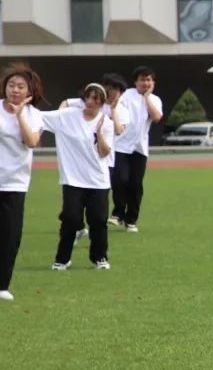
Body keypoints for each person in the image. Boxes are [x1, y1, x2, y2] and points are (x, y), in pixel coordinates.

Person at [40, 83, 115, 270]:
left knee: (98, 220)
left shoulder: (107, 123)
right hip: (72, 180)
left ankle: (100, 258)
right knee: (71, 219)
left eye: (96, 99)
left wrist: (99, 133)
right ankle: (62, 259)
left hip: (98, 181)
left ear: (102, 103)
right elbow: (37, 118)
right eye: (88, 98)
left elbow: (105, 152)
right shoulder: (66, 117)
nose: (90, 102)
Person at [60, 73, 129, 242]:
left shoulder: (122, 110)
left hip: (105, 161)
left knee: (95, 203)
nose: (111, 92)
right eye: (109, 88)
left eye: (116, 90)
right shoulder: (94, 101)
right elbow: (67, 103)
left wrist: (113, 109)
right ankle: (77, 227)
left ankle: (88, 231)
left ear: (121, 93)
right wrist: (63, 118)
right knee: (74, 200)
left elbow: (119, 130)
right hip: (82, 159)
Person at [0, 61, 46, 301]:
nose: (14, 90)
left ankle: (2, 285)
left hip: (14, 182)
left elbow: (31, 142)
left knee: (9, 235)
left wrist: (19, 116)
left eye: (20, 86)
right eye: (11, 85)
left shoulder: (33, 115)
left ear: (29, 92)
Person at [111, 66, 163, 232]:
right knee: (119, 180)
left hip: (139, 148)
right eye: (142, 79)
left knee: (135, 184)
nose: (145, 83)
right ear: (136, 81)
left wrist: (147, 97)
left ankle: (131, 220)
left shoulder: (155, 99)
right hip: (120, 145)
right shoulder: (126, 95)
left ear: (153, 82)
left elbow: (156, 118)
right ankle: (118, 213)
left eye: (149, 80)